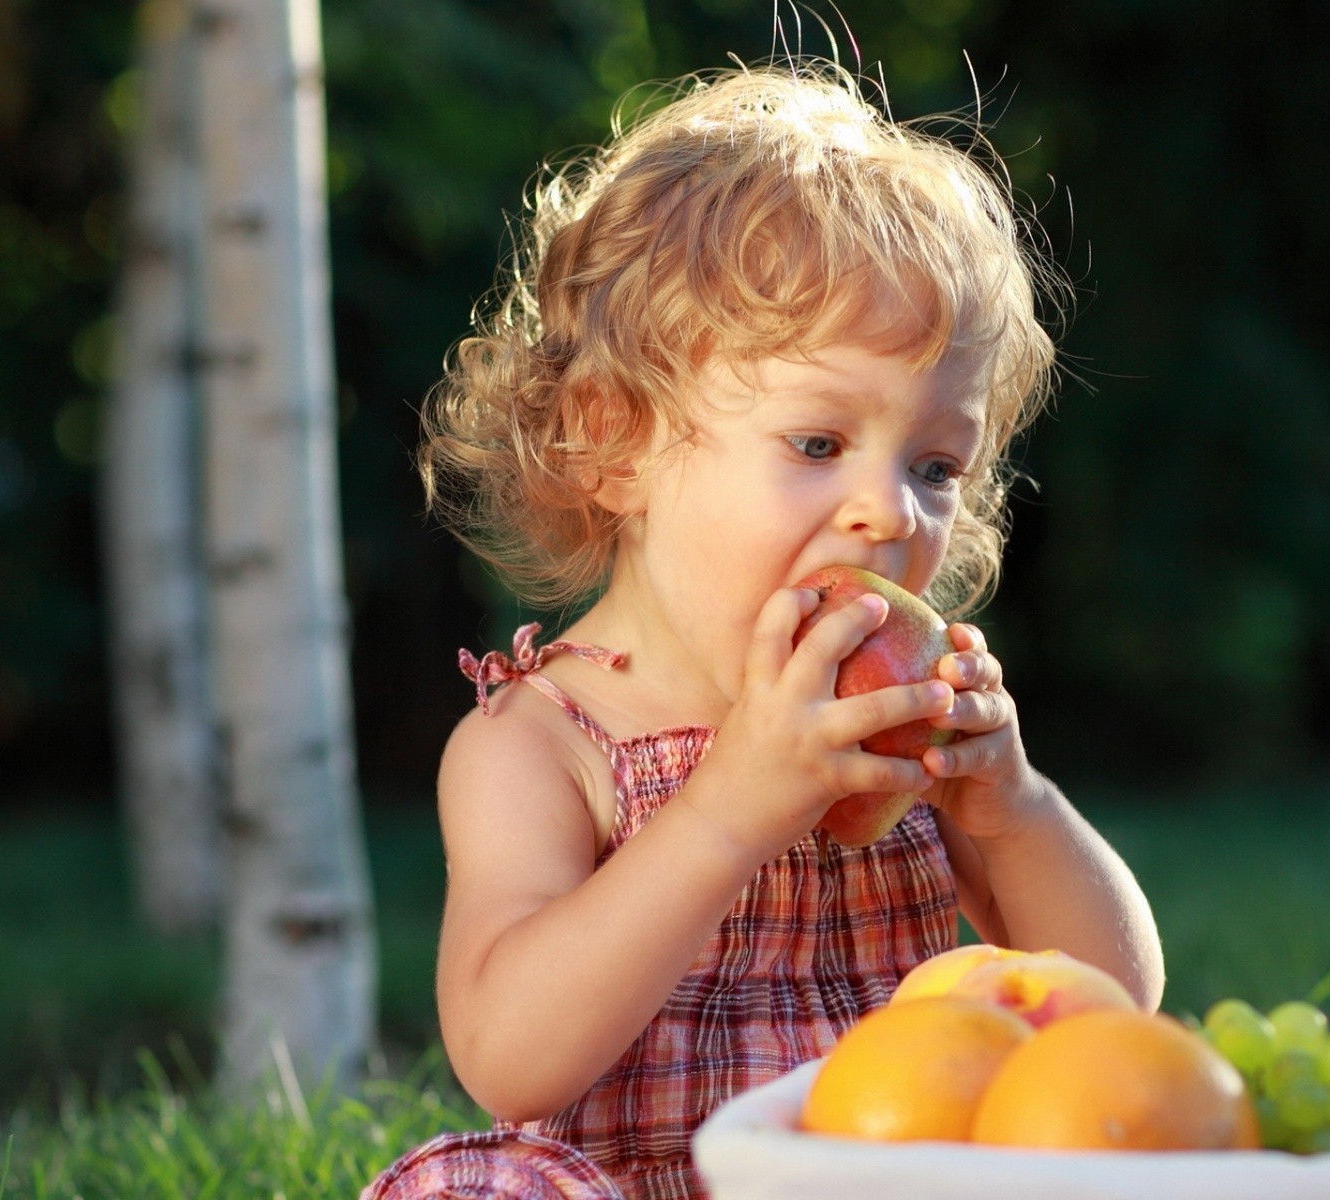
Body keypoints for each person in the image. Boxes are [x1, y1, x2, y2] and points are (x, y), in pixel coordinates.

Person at [362, 58, 1163, 1200]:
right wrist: (729, 810)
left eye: (937, 466)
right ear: (616, 441)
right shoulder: (540, 743)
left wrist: (1015, 808)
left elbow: (1117, 1014)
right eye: (819, 444)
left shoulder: (908, 728)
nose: (892, 509)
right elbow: (509, 1058)